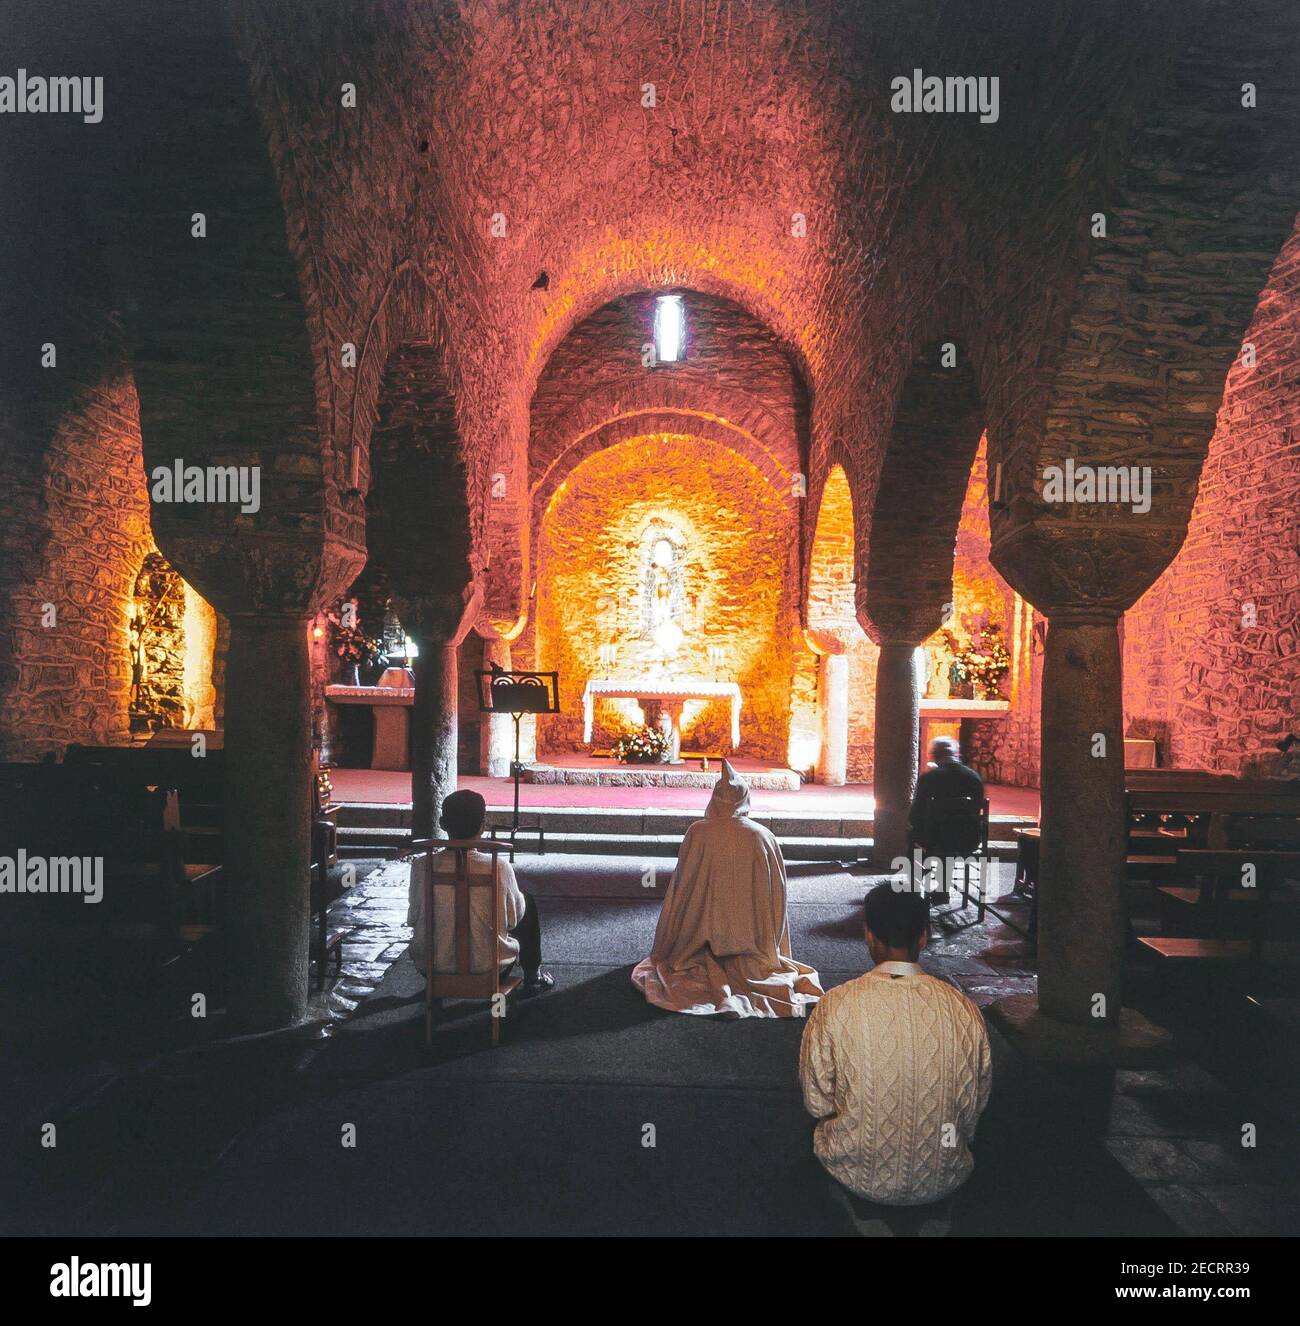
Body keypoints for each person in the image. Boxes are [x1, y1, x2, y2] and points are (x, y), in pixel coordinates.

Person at [799, 882, 991, 1235]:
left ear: (869, 935)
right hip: (945, 1174)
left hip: (857, 1175)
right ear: (923, 937)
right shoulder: (963, 1009)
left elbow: (816, 1103)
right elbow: (975, 1104)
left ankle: (857, 1211)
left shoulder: (836, 1006)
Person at [631, 759, 822, 1017]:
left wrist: (672, 941)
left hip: (699, 938)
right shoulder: (763, 836)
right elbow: (776, 895)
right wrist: (773, 946)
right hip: (753, 940)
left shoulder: (698, 833)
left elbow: (682, 890)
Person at [407, 789, 553, 996]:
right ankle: (533, 975)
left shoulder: (421, 865)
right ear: (483, 826)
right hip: (491, 969)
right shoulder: (498, 866)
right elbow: (514, 919)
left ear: (442, 824)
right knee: (525, 901)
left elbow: (414, 917)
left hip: (432, 968)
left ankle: (438, 990)